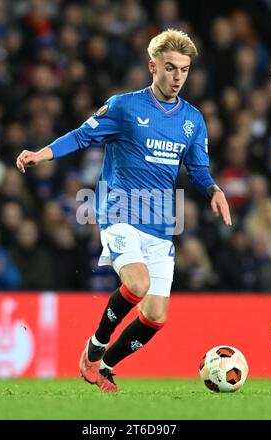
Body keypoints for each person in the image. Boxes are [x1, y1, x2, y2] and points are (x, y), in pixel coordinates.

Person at [16, 29, 232, 392]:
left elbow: (197, 168)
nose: (178, 77)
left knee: (155, 317)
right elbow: (83, 134)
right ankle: (94, 348)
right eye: (170, 68)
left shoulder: (192, 120)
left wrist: (213, 189)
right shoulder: (123, 107)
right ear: (152, 67)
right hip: (120, 213)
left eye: (184, 70)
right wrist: (42, 153)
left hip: (161, 222)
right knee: (137, 284)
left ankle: (105, 366)